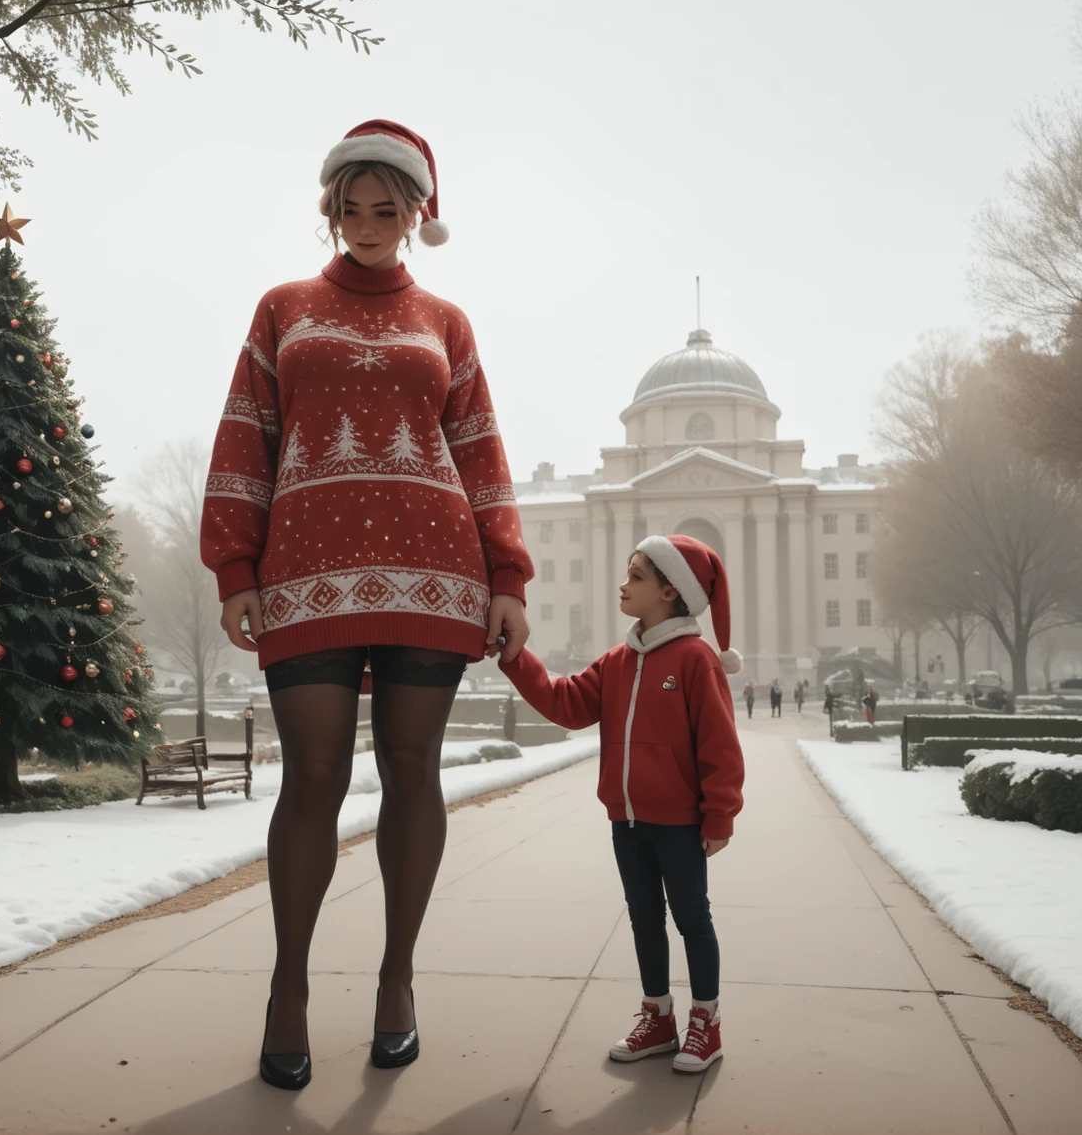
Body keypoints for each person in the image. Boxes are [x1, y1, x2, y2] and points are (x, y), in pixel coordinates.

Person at [201, 120, 532, 1092]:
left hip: (435, 575)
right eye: (349, 206)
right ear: (329, 209)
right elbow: (244, 436)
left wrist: (505, 578)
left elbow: (478, 448)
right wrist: (234, 570)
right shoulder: (282, 309)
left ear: (418, 213)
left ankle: (396, 982)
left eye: (386, 208)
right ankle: (289, 990)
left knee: (411, 772)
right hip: (303, 579)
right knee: (311, 778)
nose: (366, 224)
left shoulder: (448, 323)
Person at [500, 533, 744, 1073]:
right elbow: (566, 702)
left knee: (692, 920)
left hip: (679, 822)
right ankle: (658, 1018)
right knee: (643, 920)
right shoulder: (617, 661)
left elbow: (720, 744)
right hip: (626, 820)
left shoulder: (695, 659)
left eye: (636, 575)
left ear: (670, 592)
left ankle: (708, 1023)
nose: (623, 584)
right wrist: (517, 659)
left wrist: (719, 813)